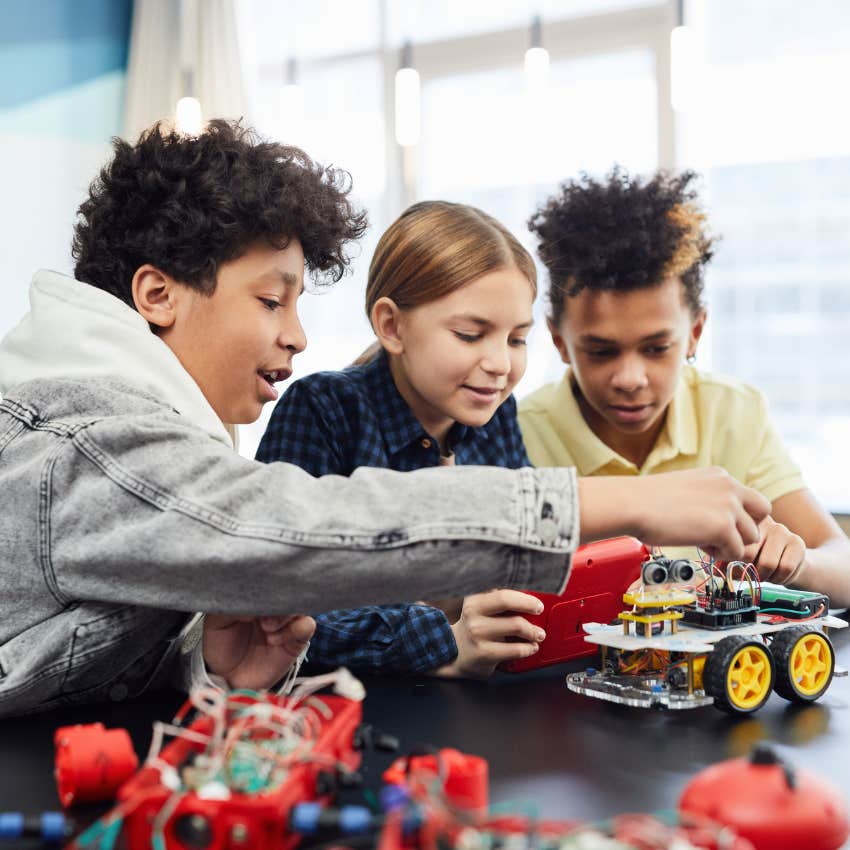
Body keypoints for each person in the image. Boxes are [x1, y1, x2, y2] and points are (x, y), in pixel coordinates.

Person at [0, 123, 768, 718]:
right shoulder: (86, 437)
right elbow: (286, 525)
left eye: (515, 338)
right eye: (273, 300)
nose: (298, 336)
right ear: (157, 295)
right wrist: (623, 502)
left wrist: (207, 665)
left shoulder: (123, 426)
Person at [520, 167, 850, 606]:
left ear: (695, 332)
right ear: (560, 341)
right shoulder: (518, 434)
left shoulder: (734, 412)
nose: (631, 380)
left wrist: (798, 563)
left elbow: (841, 561)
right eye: (601, 352)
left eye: (656, 348)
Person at [257, 200, 550, 678]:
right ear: (392, 325)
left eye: (516, 339)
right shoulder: (324, 410)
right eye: (471, 335)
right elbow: (282, 615)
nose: (500, 363)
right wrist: (445, 641)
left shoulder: (495, 412)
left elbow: (529, 556)